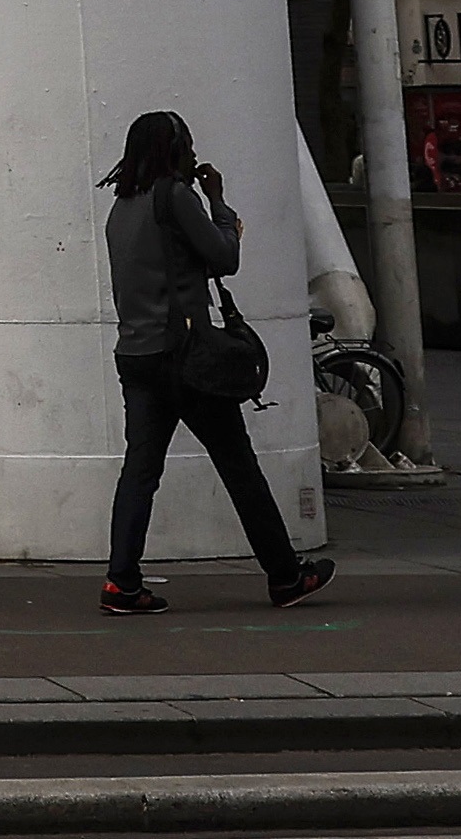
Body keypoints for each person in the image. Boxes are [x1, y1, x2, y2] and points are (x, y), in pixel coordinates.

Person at [97, 108, 328, 617]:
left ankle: (122, 582)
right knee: (239, 467)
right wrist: (219, 204)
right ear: (176, 149)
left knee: (139, 472)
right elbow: (225, 257)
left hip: (136, 357)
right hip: (185, 360)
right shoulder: (174, 197)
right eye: (189, 144)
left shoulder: (121, 207)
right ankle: (287, 577)